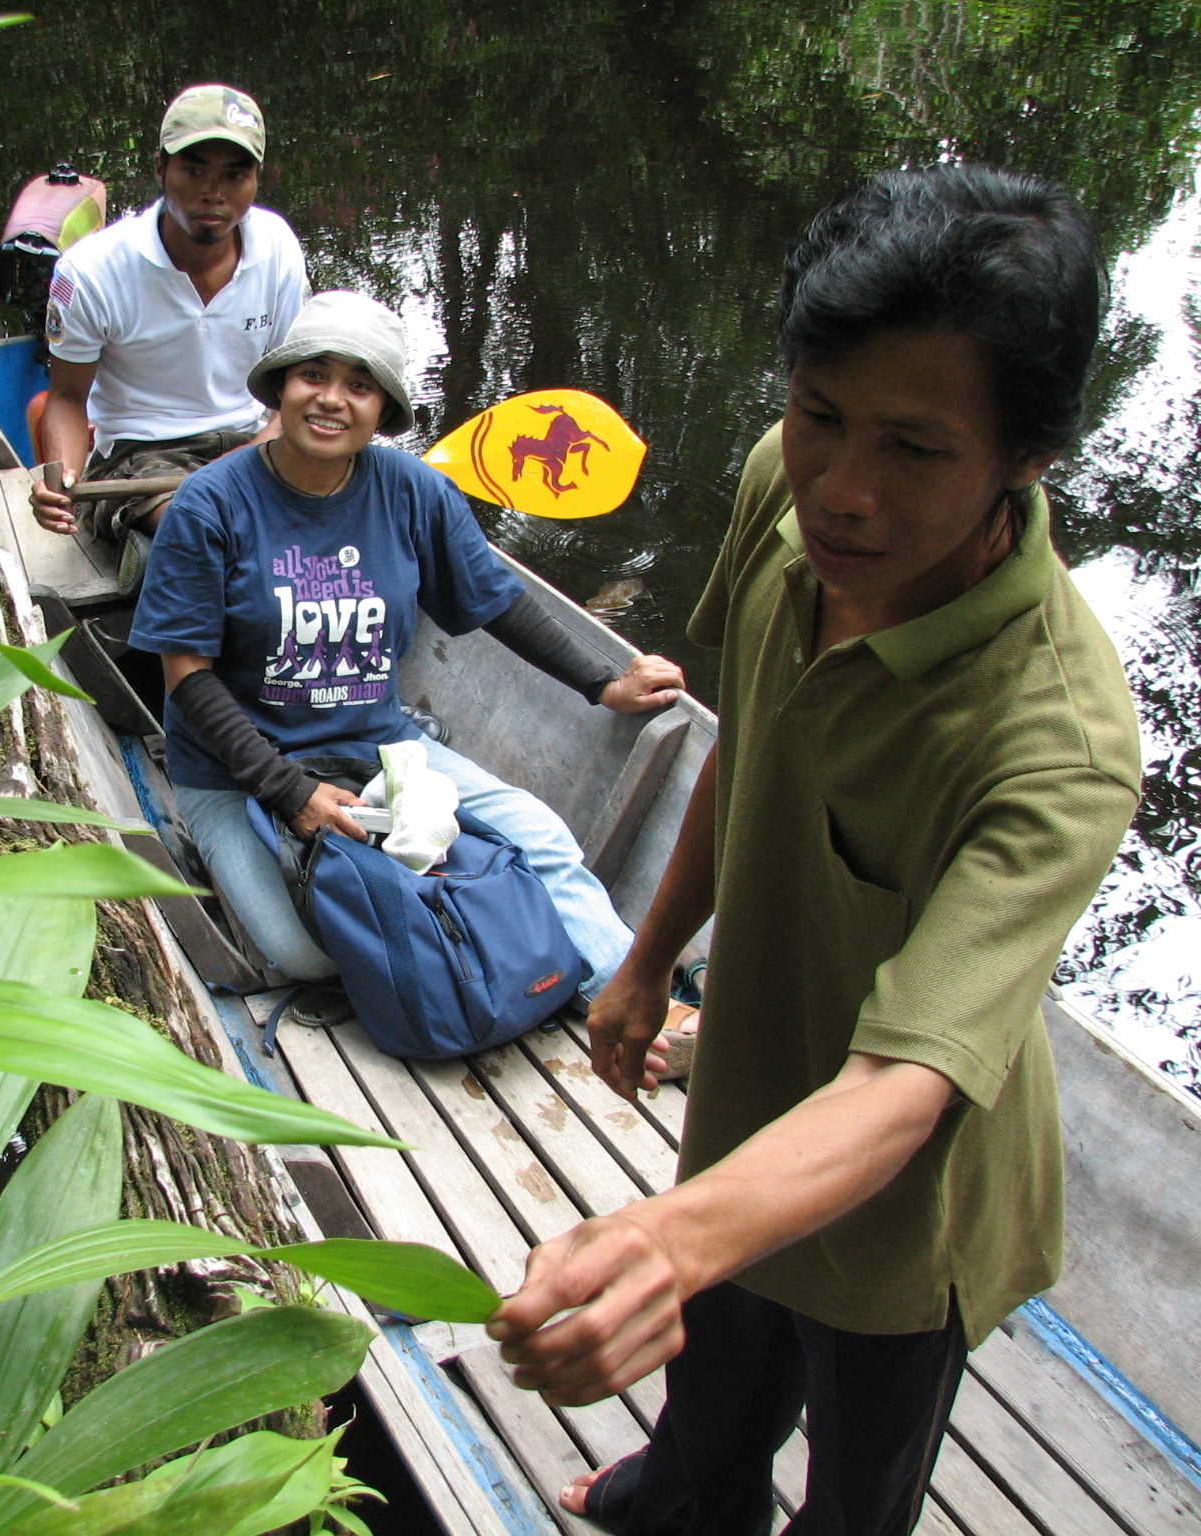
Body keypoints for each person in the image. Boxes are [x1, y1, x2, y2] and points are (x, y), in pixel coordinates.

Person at [486, 165, 1142, 1536]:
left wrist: (662, 1240)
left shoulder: (1058, 741)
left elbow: (905, 1086)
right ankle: (679, 1498)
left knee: (856, 1487)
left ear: (1025, 457)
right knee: (712, 1401)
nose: (841, 492)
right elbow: (753, 745)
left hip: (908, 1211)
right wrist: (647, 958)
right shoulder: (778, 488)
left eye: (914, 450)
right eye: (819, 413)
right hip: (742, 1095)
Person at [128, 290, 685, 1006]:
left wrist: (604, 684)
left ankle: (632, 998)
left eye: (359, 385)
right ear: (281, 386)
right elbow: (186, 676)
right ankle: (465, 942)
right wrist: (289, 790)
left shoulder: (414, 491)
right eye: (313, 375)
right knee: (306, 956)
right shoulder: (210, 505)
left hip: (377, 742)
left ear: (383, 409)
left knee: (539, 834)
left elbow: (497, 602)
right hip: (233, 772)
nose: (332, 399)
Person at [28, 84, 308, 551]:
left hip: (255, 441)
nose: (213, 194)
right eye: (194, 171)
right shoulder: (92, 270)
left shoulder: (277, 246)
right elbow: (68, 397)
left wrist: (263, 443)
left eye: (234, 175)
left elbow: (294, 386)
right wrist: (63, 482)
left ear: (256, 179)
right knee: (197, 524)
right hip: (142, 458)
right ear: (161, 169)